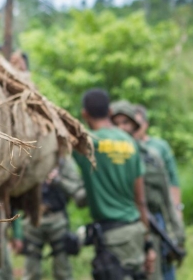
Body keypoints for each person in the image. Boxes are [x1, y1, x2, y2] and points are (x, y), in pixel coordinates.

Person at [72, 89, 155, 279]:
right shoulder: (130, 142)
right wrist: (148, 242)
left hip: (112, 238)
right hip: (135, 230)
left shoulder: (87, 144)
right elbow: (140, 200)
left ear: (85, 114)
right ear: (110, 111)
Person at [112, 101, 184, 280]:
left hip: (152, 224)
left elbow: (166, 195)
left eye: (125, 123)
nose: (121, 128)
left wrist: (177, 231)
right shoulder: (106, 157)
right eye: (116, 123)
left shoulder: (151, 157)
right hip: (120, 230)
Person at [17, 157, 86, 280]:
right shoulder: (30, 158)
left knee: (63, 269)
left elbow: (77, 191)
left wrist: (58, 180)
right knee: (31, 270)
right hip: (33, 219)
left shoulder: (64, 162)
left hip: (57, 219)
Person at [133, 105, 183, 220]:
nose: (134, 127)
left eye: (138, 123)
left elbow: (172, 178)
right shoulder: (126, 147)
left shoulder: (160, 146)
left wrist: (177, 208)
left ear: (146, 124)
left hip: (160, 207)